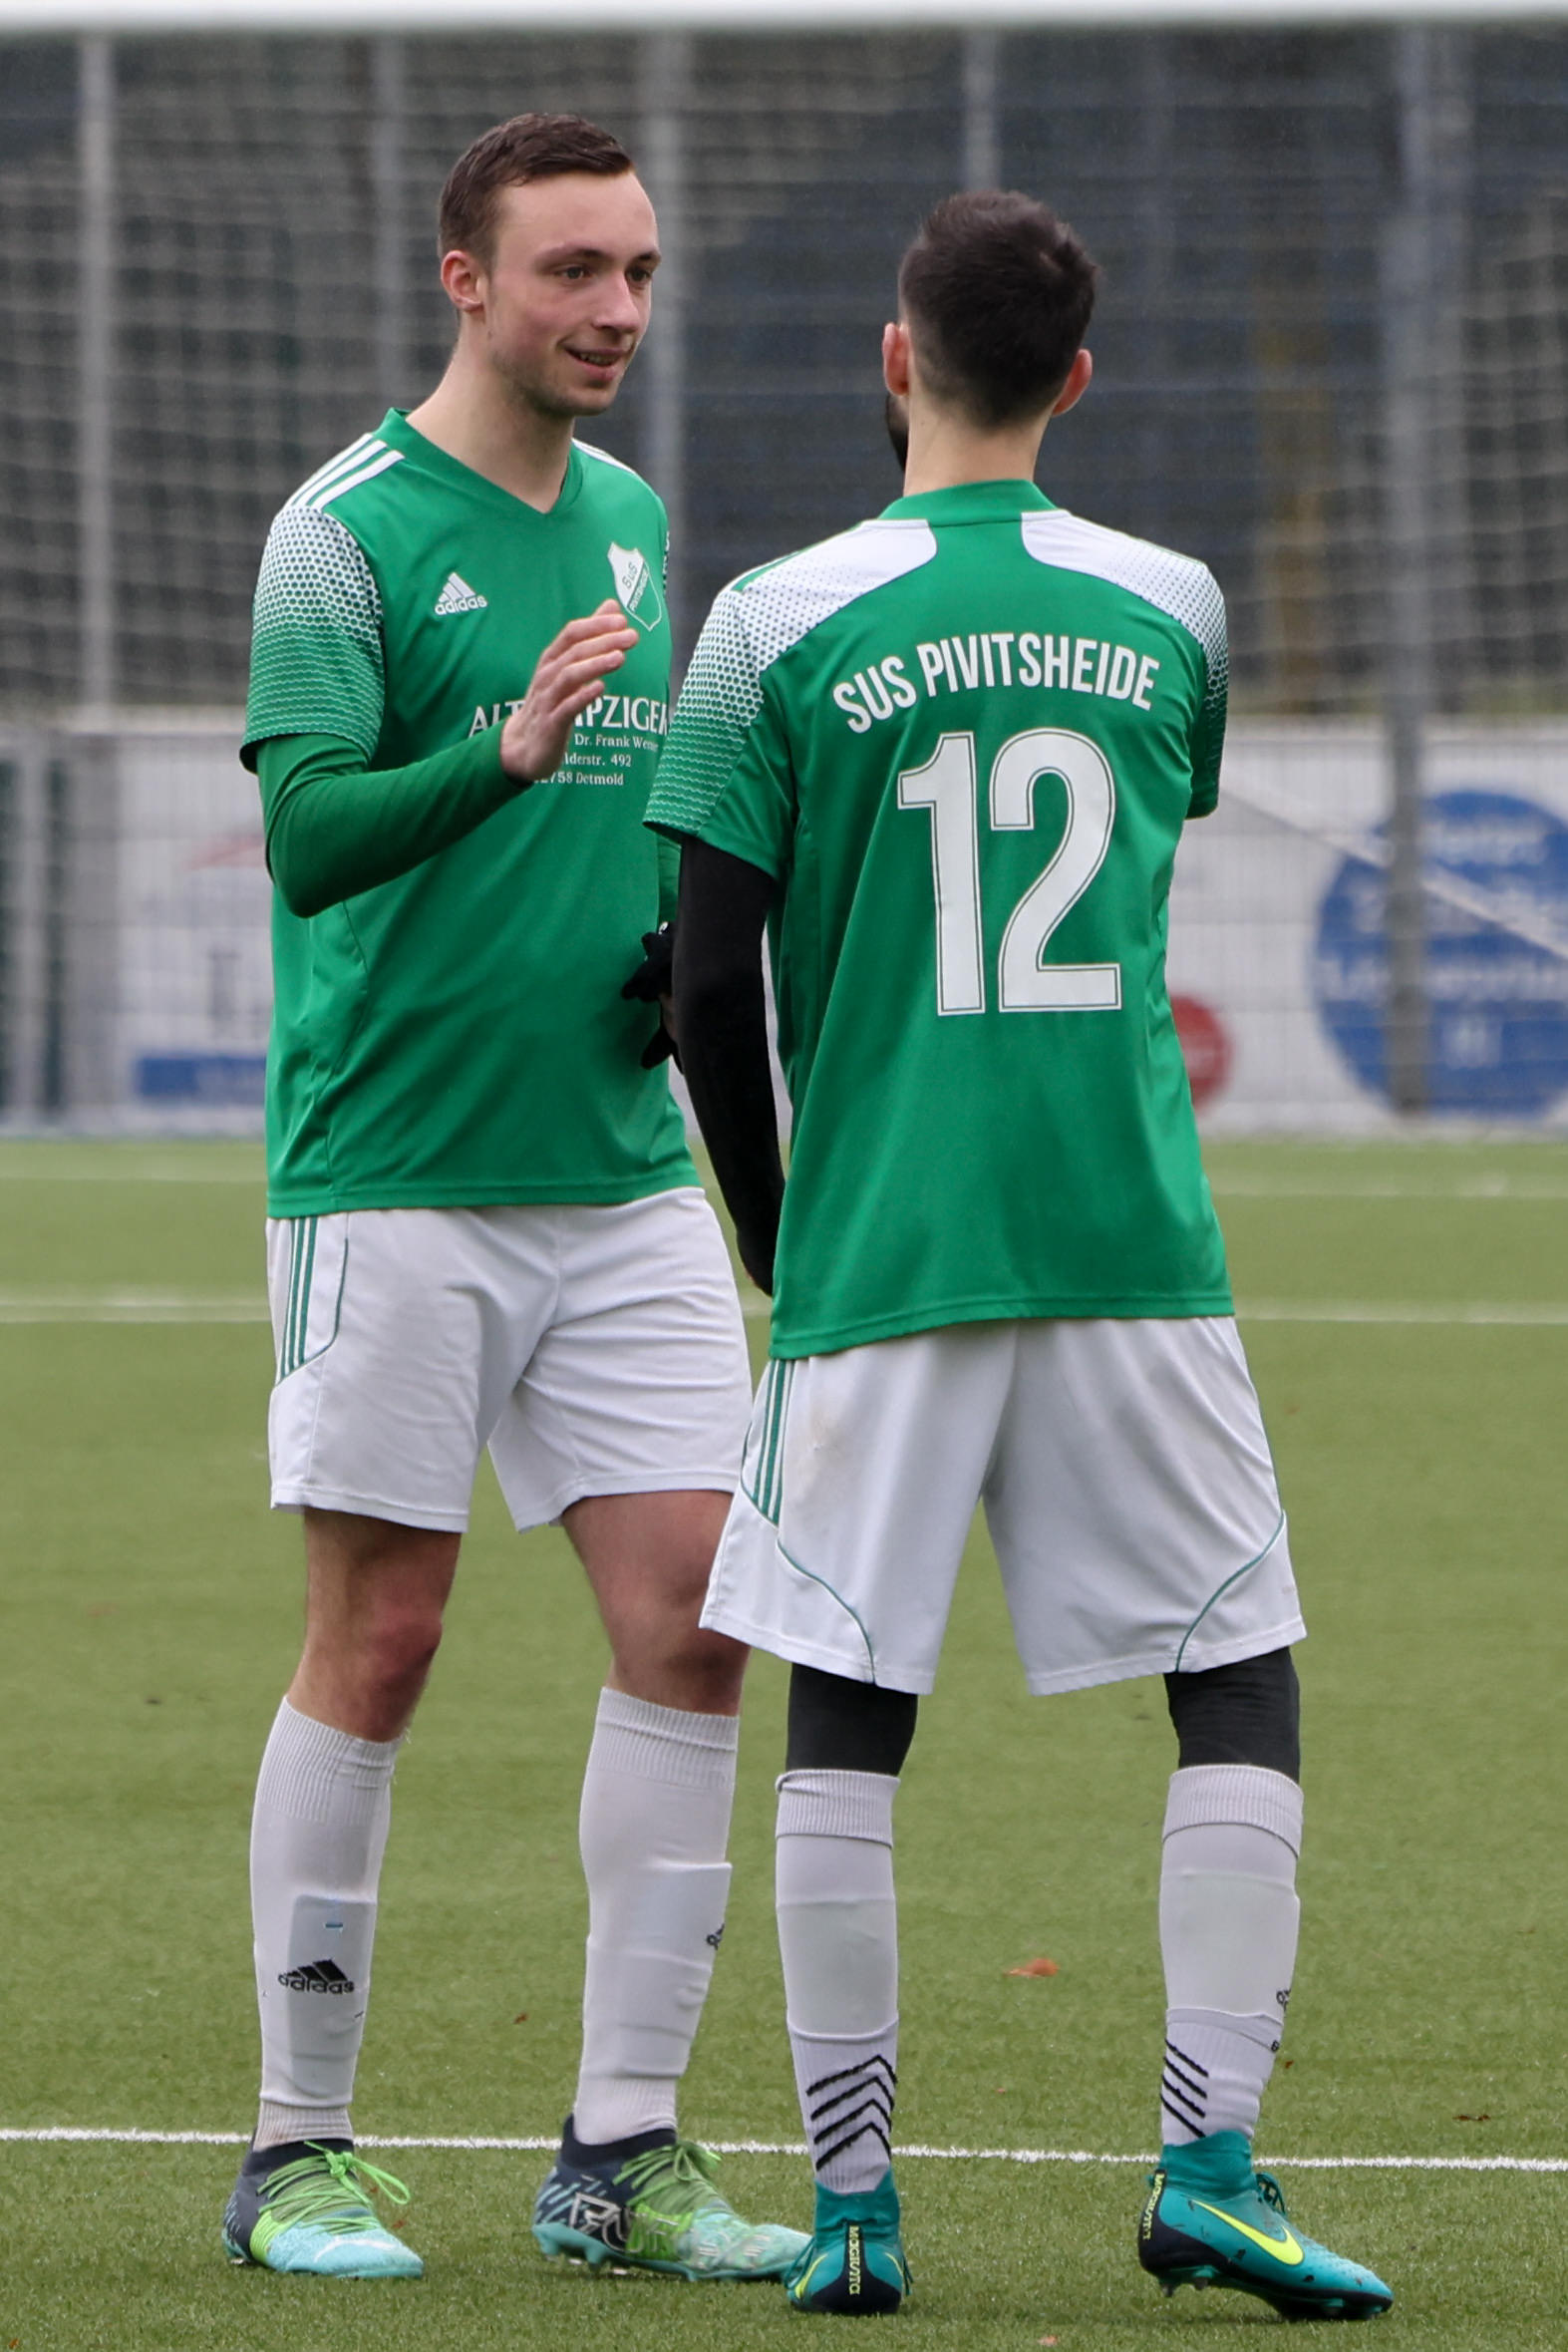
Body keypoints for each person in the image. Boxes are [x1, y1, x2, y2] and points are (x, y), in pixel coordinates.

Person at [645, 190, 1395, 2322]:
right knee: (1230, 1669)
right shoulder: (1171, 606)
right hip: (1125, 1238)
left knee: (847, 1693)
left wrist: (779, 1239)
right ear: (1077, 378)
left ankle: (854, 2208)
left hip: (884, 1244)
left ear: (895, 360)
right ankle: (1210, 2167)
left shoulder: (770, 619)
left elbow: (703, 987)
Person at [222, 111, 805, 2286]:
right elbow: (308, 841)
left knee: (697, 1622)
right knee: (381, 1638)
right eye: (574, 270)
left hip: (617, 1171)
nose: (616, 310)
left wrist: (662, 951)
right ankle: (292, 2152)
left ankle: (619, 2153)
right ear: (464, 279)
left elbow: (633, 812)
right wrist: (499, 758)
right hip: (394, 1171)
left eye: (637, 270)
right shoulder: (341, 535)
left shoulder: (635, 520)